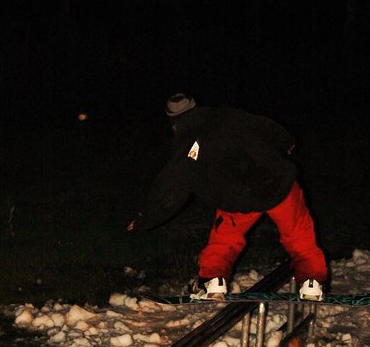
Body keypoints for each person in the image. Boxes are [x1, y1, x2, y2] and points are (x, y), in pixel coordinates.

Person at [128, 93, 328, 300]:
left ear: (172, 121)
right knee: (299, 234)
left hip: (238, 197)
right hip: (277, 183)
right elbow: (268, 127)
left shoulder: (187, 143)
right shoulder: (227, 116)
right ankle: (312, 281)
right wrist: (286, 143)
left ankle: (213, 280)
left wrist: (146, 218)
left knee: (225, 238)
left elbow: (170, 185)